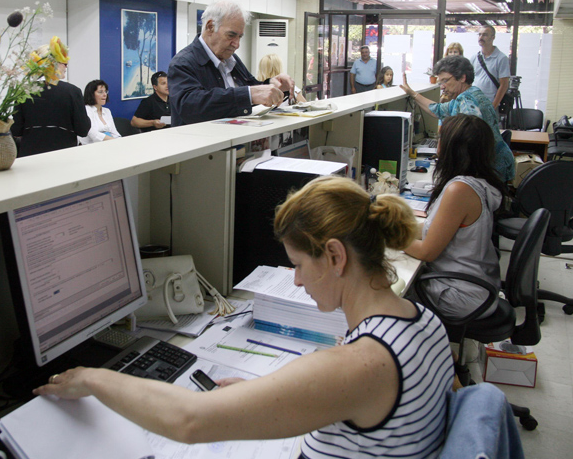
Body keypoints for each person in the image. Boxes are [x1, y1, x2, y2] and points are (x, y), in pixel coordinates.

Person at [34, 177, 454, 458]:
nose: (296, 280)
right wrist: (271, 397)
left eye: (298, 265)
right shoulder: (425, 322)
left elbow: (188, 420)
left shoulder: (359, 364)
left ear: (335, 256)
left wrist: (92, 378)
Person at [404, 114, 506, 320]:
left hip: (460, 295)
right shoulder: (480, 182)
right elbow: (438, 228)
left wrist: (385, 237)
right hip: (476, 285)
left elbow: (427, 252)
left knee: (380, 292)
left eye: (441, 139)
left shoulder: (459, 190)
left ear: (453, 147)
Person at [167, 1, 295, 126]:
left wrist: (272, 86)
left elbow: (251, 88)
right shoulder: (183, 62)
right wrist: (249, 94)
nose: (237, 44)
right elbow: (190, 107)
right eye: (231, 35)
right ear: (210, 27)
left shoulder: (231, 59)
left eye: (239, 37)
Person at [400, 55, 515, 182]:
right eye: (440, 82)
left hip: (490, 169)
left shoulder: (466, 101)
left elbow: (470, 141)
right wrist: (412, 94)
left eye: (445, 80)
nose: (442, 86)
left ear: (462, 77)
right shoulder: (471, 93)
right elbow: (437, 109)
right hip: (497, 164)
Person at [11, 36, 91, 157]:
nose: (66, 66)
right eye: (64, 63)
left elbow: (16, 130)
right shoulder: (73, 92)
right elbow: (83, 130)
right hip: (64, 156)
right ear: (53, 64)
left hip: (29, 157)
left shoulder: (23, 91)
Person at [469, 26, 510, 111]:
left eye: (485, 35)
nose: (481, 37)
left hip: (490, 104)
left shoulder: (501, 58)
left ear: (493, 37)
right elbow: (468, 80)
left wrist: (493, 106)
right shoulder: (474, 57)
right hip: (474, 103)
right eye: (479, 34)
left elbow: (504, 84)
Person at [78, 79, 121, 144]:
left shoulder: (107, 111)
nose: (105, 94)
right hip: (90, 147)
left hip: (108, 144)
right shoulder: (86, 110)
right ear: (91, 94)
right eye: (100, 92)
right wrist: (115, 141)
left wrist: (120, 141)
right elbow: (94, 135)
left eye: (105, 91)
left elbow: (114, 133)